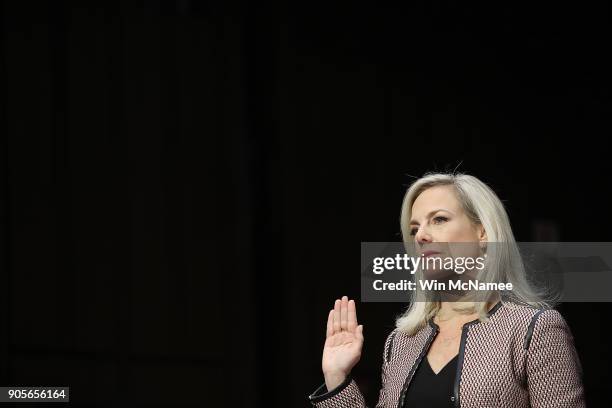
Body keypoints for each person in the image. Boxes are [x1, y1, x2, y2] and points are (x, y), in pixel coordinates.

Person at [308, 172, 585, 407]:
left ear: (483, 232)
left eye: (438, 219)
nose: (421, 235)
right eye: (414, 228)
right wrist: (337, 377)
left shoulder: (534, 329)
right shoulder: (401, 341)